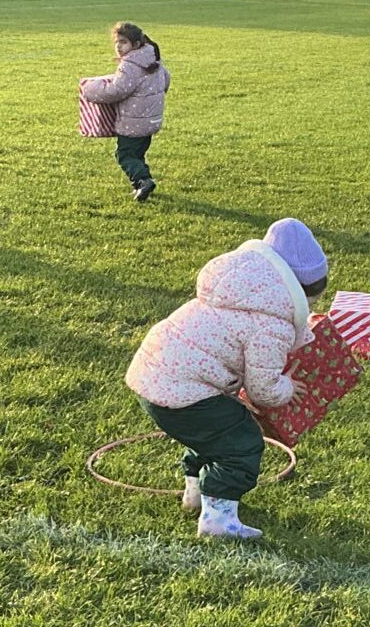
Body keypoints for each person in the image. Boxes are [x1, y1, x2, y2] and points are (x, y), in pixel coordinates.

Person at [125, 218, 328, 539]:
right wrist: (287, 388)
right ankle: (217, 519)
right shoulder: (272, 324)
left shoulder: (237, 292)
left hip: (152, 378)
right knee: (240, 442)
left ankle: (195, 494)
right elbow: (262, 389)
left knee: (211, 435)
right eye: (311, 303)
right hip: (185, 392)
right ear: (296, 292)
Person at [80, 22, 170, 201]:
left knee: (124, 154)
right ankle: (141, 184)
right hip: (151, 121)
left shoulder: (130, 65)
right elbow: (165, 80)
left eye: (123, 42)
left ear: (135, 44)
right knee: (137, 154)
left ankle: (143, 181)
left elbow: (117, 91)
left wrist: (90, 89)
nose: (119, 47)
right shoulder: (153, 59)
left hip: (133, 124)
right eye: (117, 42)